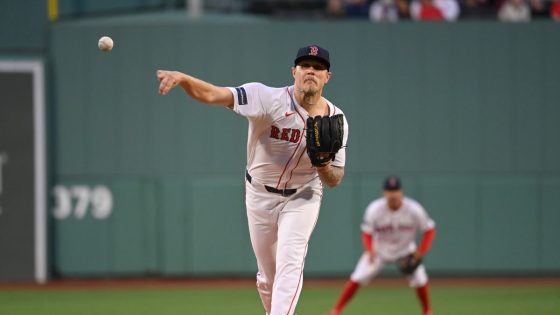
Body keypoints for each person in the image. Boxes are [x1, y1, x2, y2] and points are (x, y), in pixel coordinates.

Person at [157, 45, 349, 315]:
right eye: (305, 66)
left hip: (303, 196)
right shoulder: (266, 98)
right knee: (268, 279)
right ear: (294, 71)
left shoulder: (336, 119)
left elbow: (335, 178)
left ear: (327, 77)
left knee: (289, 264)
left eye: (318, 68)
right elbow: (214, 94)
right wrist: (184, 79)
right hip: (259, 194)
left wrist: (323, 164)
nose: (311, 71)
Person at [327, 176, 436, 315]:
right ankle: (336, 310)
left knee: (421, 279)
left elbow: (429, 229)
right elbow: (367, 232)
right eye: (389, 190)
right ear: (384, 193)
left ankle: (427, 311)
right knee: (357, 277)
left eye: (395, 190)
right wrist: (370, 250)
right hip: (379, 250)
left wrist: (421, 251)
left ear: (401, 191)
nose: (393, 194)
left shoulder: (414, 209)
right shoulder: (375, 209)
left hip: (406, 250)